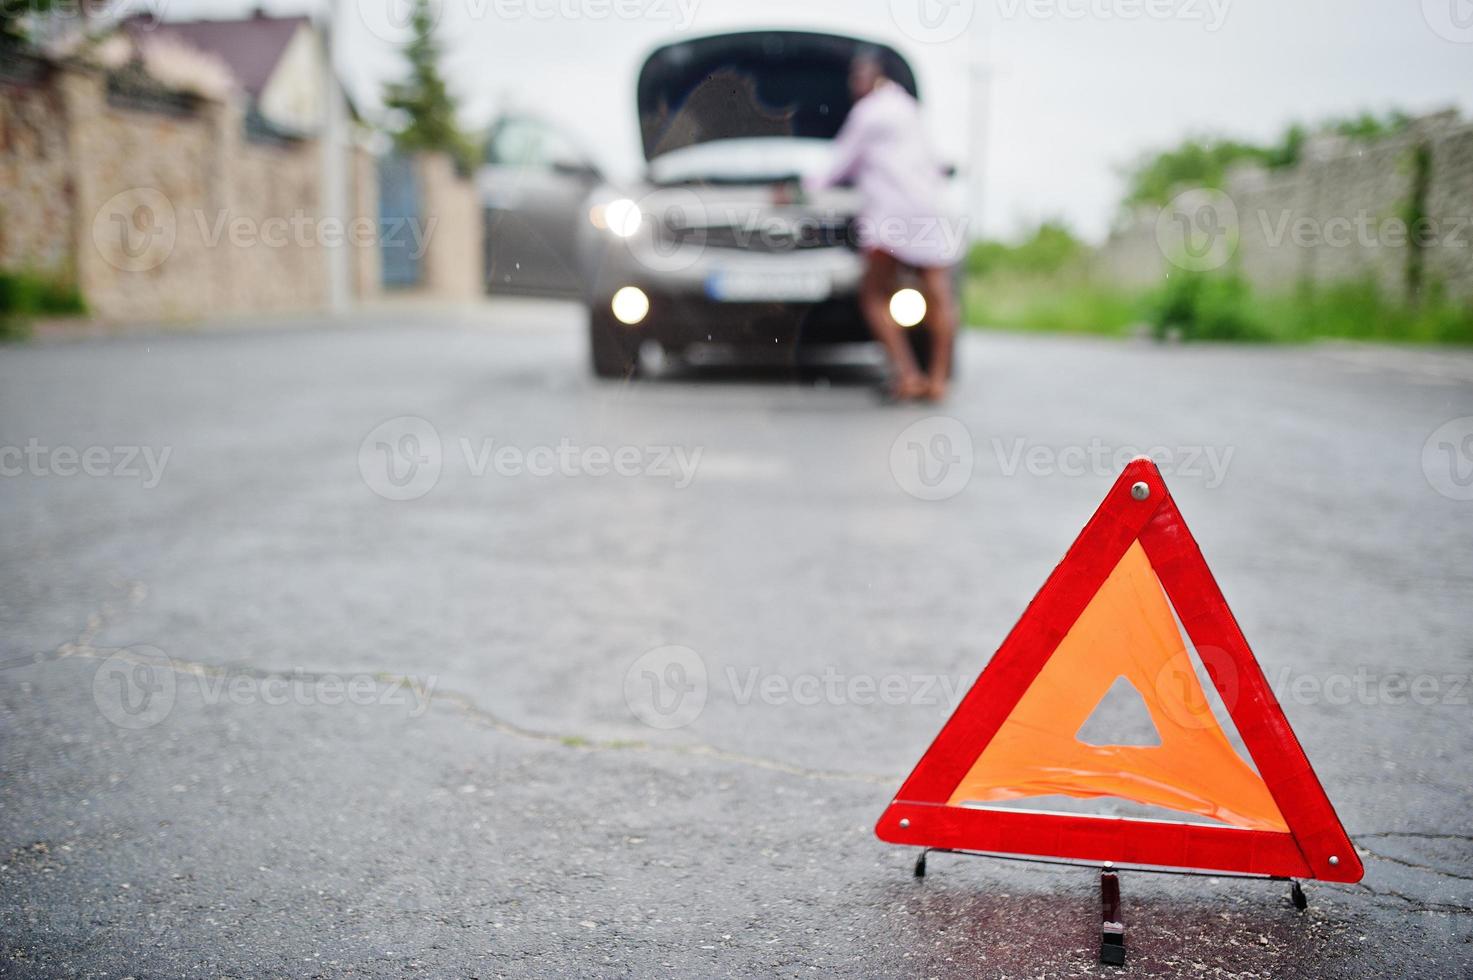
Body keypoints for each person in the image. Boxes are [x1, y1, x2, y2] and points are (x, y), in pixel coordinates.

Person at [789, 49, 962, 401]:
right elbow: (935, 160)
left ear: (874, 76)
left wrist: (797, 190)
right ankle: (939, 380)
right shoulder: (911, 109)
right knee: (940, 297)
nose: (854, 84)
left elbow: (839, 164)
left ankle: (909, 374)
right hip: (929, 210)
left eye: (857, 76)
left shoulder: (868, 113)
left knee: (873, 294)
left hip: (891, 215)